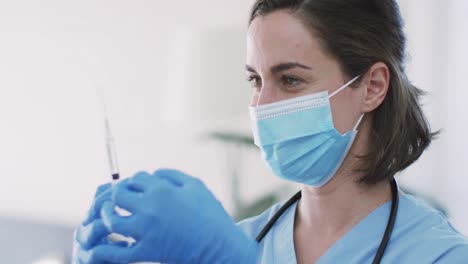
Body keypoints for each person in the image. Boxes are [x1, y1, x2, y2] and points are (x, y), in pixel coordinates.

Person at [73, 0, 468, 263]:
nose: (261, 106)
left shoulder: (438, 254)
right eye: (255, 80)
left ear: (372, 86)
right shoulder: (243, 240)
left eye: (291, 80)